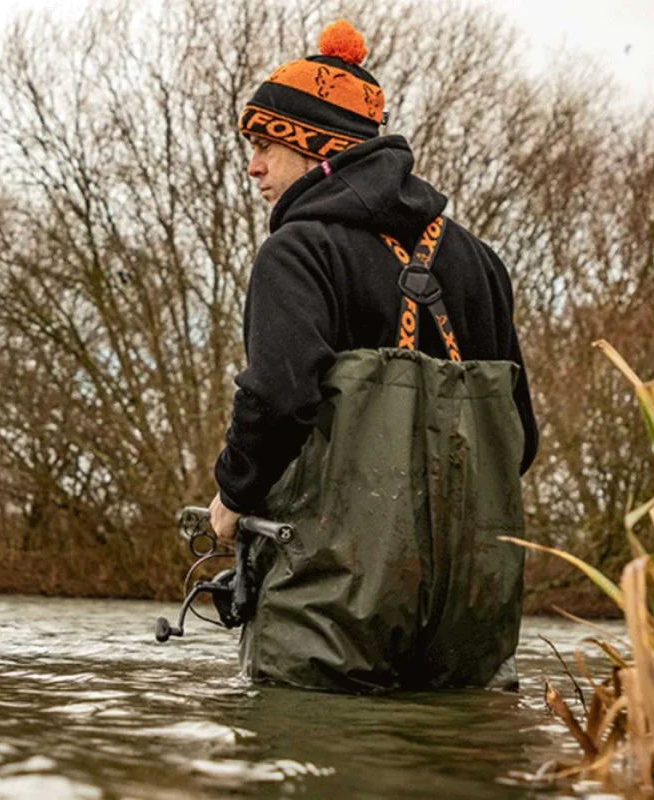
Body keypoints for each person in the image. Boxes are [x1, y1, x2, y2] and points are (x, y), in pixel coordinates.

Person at [208, 20, 539, 692]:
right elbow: (521, 441)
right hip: (469, 625)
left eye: (267, 143)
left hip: (330, 622)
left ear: (316, 148)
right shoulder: (481, 264)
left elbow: (278, 398)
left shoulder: (297, 252)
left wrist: (232, 494)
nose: (254, 165)